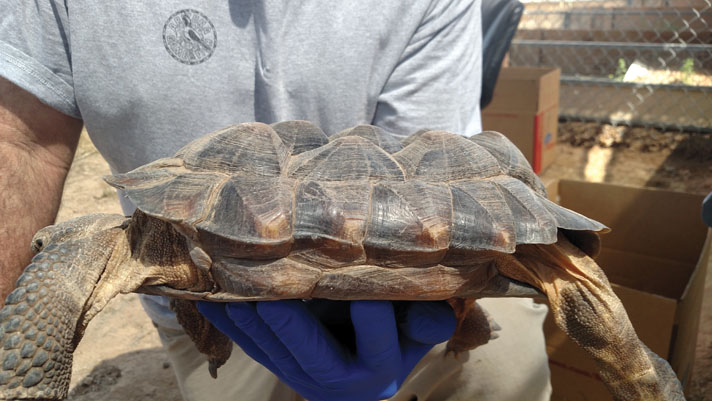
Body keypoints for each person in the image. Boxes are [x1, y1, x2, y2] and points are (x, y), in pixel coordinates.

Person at [0, 1, 551, 400]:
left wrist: (453, 306)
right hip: (200, 287)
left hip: (384, 273)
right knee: (61, 275)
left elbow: (434, 191)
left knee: (504, 364)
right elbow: (17, 143)